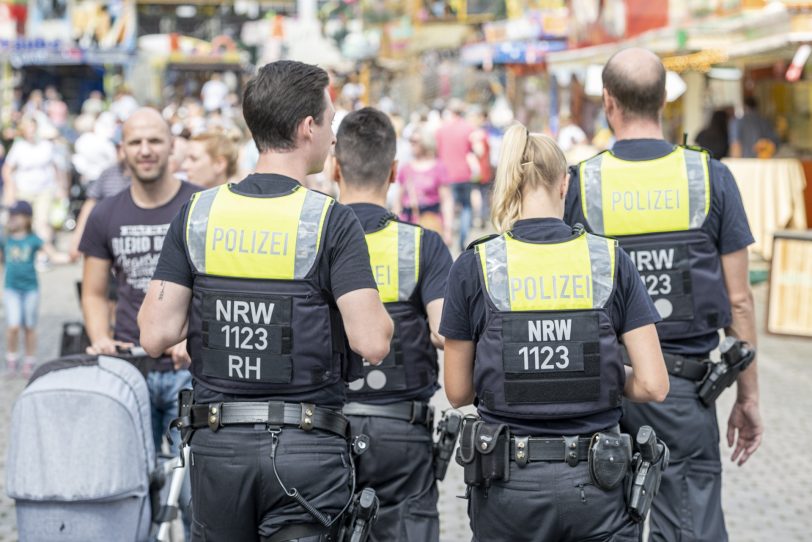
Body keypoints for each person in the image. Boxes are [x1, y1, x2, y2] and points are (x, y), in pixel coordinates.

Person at [138, 60, 393, 541]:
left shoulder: (199, 213)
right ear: (307, 127)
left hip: (218, 447)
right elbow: (372, 342)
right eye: (330, 121)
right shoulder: (329, 221)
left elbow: (155, 334)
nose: (334, 136)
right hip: (306, 449)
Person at [565, 48, 762, 542]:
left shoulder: (582, 182)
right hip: (683, 393)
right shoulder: (709, 177)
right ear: (665, 101)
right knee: (688, 527)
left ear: (608, 103)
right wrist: (749, 396)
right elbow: (740, 301)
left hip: (603, 390)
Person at [440, 123, 669, 542]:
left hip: (508, 488)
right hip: (597, 486)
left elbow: (456, 391)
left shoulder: (476, 265)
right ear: (565, 183)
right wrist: (599, 371)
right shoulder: (609, 260)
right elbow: (654, 385)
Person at [332, 108, 453, 542]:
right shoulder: (423, 245)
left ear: (334, 166)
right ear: (395, 171)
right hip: (402, 431)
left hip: (324, 429)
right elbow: (443, 332)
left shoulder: (311, 238)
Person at [78, 107, 200, 452]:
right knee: (131, 480)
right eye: (135, 142)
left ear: (172, 145)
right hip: (130, 367)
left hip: (191, 370)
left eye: (155, 140)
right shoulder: (105, 213)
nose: (145, 150)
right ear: (122, 150)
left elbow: (223, 288)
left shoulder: (202, 204)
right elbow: (94, 292)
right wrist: (101, 337)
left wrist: (193, 333)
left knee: (191, 487)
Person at [0, 201, 62, 378]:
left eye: (16, 215)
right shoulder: (5, 239)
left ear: (27, 218)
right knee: (12, 325)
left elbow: (53, 255)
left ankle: (29, 360)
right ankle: (11, 357)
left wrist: (70, 257)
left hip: (30, 290)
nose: (12, 218)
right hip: (11, 288)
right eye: (11, 215)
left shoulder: (33, 239)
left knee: (29, 326)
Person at [2, 116, 61, 248]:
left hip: (45, 189)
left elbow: (56, 167)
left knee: (42, 222)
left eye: (33, 127)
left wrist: (61, 188)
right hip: (24, 190)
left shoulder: (46, 145)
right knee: (22, 223)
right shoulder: (19, 147)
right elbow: (7, 169)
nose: (31, 130)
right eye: (28, 127)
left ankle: (44, 253)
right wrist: (10, 190)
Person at [396, 127, 451, 240]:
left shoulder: (438, 167)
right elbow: (398, 200)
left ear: (426, 142)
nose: (412, 144)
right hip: (408, 222)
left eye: (415, 141)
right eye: (410, 141)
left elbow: (446, 200)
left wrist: (447, 229)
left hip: (431, 221)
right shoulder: (406, 168)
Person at [435, 99, 474, 251]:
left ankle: (448, 235)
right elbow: (473, 150)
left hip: (446, 174)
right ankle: (463, 240)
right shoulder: (468, 129)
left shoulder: (441, 130)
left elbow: (436, 152)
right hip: (464, 173)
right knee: (466, 207)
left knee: (447, 206)